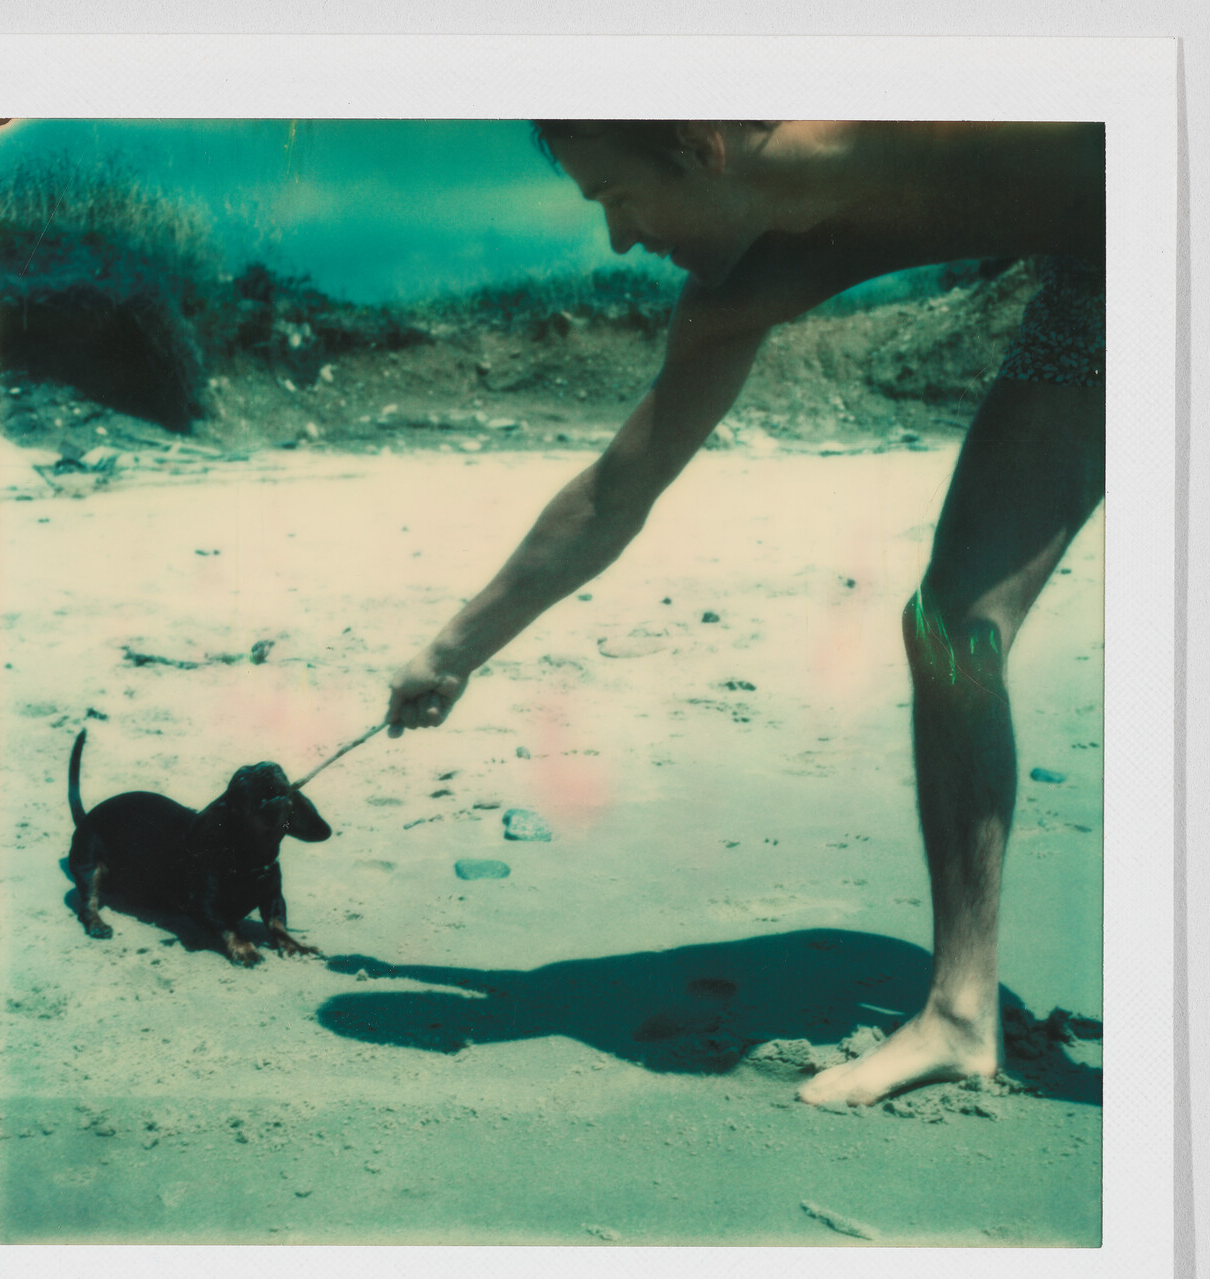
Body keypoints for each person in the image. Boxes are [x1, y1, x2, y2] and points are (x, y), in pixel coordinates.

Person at [386, 120, 1105, 1106]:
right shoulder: (745, 283)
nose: (619, 242)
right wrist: (454, 649)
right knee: (952, 628)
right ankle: (961, 1013)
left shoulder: (923, 96)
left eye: (617, 199)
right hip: (1097, 284)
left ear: (701, 149)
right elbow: (616, 490)